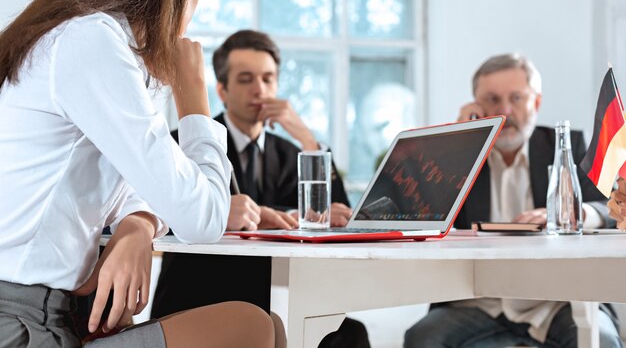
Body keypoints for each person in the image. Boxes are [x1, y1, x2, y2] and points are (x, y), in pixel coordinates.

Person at [0, 0, 280, 347]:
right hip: (23, 327)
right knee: (250, 327)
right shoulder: (90, 40)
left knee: (266, 325)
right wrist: (193, 96)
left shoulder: (68, 39)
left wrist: (139, 224)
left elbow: (139, 181)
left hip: (49, 313)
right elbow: (202, 218)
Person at [151, 29, 370, 348]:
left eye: (268, 79)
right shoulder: (185, 142)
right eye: (245, 79)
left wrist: (307, 139)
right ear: (222, 90)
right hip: (198, 294)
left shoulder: (291, 152)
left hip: (278, 294)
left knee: (350, 334)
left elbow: (338, 215)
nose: (260, 90)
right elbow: (159, 213)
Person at [404, 53, 622, 348]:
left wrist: (573, 212)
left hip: (558, 300)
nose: (505, 110)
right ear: (476, 106)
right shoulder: (462, 158)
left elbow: (611, 209)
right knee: (421, 338)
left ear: (536, 102)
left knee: (604, 340)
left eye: (516, 98)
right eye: (492, 100)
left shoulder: (568, 145)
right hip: (477, 300)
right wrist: (457, 143)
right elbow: (424, 216)